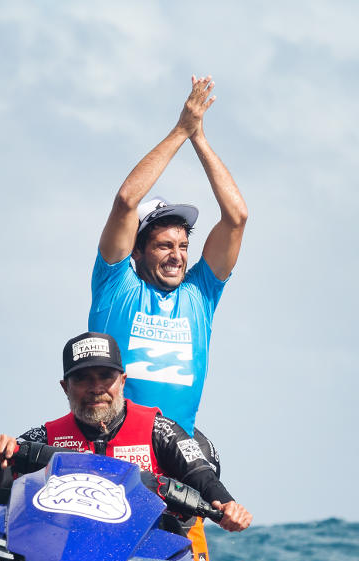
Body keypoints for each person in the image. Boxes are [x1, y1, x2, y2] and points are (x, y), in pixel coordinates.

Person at [0, 333, 252, 561]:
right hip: (72, 555)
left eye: (105, 377)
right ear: (64, 387)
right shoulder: (44, 438)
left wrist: (229, 505)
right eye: (82, 379)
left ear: (122, 380)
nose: (96, 389)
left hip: (157, 548)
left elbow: (200, 473)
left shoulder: (159, 430)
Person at [89, 75, 248, 438]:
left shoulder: (200, 294)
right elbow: (127, 201)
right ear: (138, 251)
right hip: (113, 447)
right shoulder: (115, 285)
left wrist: (200, 139)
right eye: (164, 246)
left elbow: (236, 217)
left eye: (182, 246)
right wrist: (180, 131)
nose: (177, 256)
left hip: (177, 454)